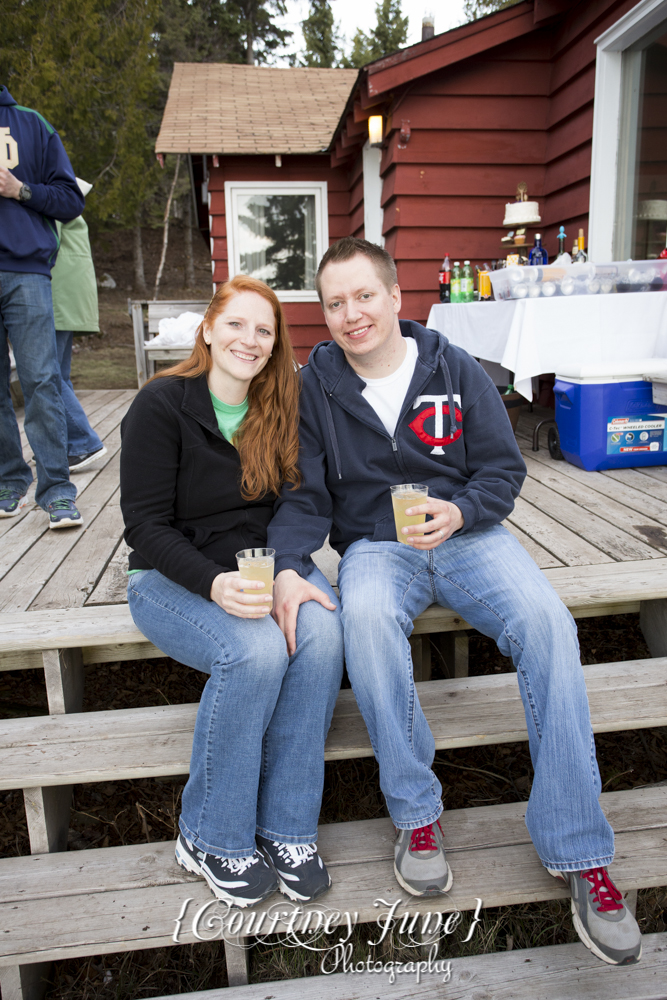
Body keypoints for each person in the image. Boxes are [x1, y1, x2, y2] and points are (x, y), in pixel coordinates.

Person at [268, 237, 642, 966]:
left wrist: (463, 512)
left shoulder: (450, 364)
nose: (351, 315)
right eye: (335, 303)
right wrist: (286, 563)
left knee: (547, 623)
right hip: (377, 546)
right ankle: (415, 815)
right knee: (365, 621)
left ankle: (579, 850)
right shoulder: (314, 386)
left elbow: (503, 468)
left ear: (393, 295)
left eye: (363, 296)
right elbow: (304, 491)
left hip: (469, 535)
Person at [120, 274, 344, 908]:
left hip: (262, 569)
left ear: (276, 346)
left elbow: (298, 501)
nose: (250, 340)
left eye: (265, 331)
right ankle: (209, 835)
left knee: (323, 635)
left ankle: (287, 829)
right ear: (208, 330)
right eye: (238, 324)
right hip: (171, 578)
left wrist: (289, 571)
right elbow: (144, 526)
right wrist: (214, 584)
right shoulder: (162, 404)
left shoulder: (279, 409)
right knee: (256, 652)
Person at [0, 85, 85, 527]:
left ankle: (57, 491)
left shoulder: (32, 123)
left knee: (42, 380)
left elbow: (71, 200)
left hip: (25, 271)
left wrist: (21, 190)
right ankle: (8, 481)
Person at [51, 177, 106, 471]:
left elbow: (41, 241)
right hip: (68, 296)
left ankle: (83, 442)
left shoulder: (54, 204)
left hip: (55, 295)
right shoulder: (70, 201)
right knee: (59, 374)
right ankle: (62, 444)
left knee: (47, 375)